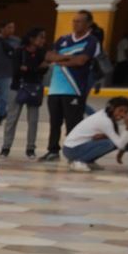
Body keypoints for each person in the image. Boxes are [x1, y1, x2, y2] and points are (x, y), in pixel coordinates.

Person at [40, 12, 101, 161]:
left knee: (73, 123)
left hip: (74, 88)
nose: (75, 24)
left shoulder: (91, 41)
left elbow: (81, 61)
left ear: (88, 24)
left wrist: (59, 59)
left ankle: (75, 152)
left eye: (79, 22)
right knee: (55, 122)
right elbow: (48, 56)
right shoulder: (63, 39)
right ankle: (53, 150)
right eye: (74, 21)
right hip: (55, 88)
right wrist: (68, 58)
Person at [0, 28, 48, 160]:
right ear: (32, 39)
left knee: (33, 120)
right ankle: (6, 147)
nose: (43, 40)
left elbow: (44, 70)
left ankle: (31, 148)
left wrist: (28, 68)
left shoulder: (42, 52)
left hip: (35, 89)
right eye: (40, 37)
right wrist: (36, 68)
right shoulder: (19, 51)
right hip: (17, 87)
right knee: (12, 118)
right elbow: (16, 70)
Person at [61, 96, 128, 172]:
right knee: (110, 143)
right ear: (112, 108)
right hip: (72, 150)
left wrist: (106, 136)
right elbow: (120, 144)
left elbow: (120, 138)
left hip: (73, 148)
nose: (123, 114)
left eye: (126, 112)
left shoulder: (105, 115)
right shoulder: (105, 121)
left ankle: (88, 161)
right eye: (120, 110)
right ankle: (80, 161)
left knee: (111, 142)